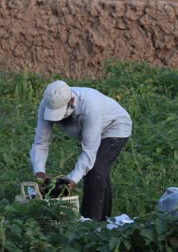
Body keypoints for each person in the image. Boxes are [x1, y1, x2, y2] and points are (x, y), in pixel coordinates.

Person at [29, 80, 132, 221]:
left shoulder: (89, 105)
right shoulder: (47, 104)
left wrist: (71, 180)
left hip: (115, 126)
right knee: (99, 172)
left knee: (95, 169)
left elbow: (89, 151)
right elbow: (41, 142)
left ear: (72, 101)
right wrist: (39, 172)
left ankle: (90, 223)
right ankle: (104, 220)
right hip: (92, 129)